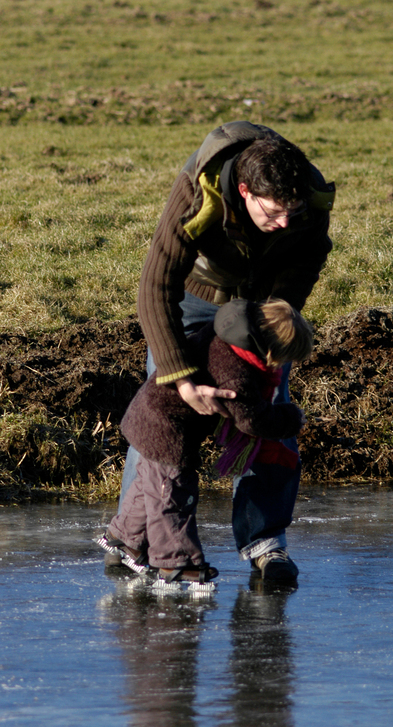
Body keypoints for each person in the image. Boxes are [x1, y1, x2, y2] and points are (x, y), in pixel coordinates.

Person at [117, 120, 334, 582]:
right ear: (243, 190)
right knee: (163, 414)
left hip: (263, 304)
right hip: (196, 300)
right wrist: (180, 373)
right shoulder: (198, 191)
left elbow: (308, 257)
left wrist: (274, 319)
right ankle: (132, 542)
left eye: (291, 213)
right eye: (273, 213)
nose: (284, 222)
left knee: (269, 412)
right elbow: (155, 286)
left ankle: (265, 541)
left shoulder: (307, 195)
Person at [97, 298, 313, 585]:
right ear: (269, 351)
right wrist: (291, 418)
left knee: (149, 483)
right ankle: (175, 562)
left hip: (149, 416)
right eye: (282, 359)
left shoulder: (225, 331)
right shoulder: (238, 372)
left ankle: (122, 537)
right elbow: (250, 419)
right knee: (173, 493)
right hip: (165, 430)